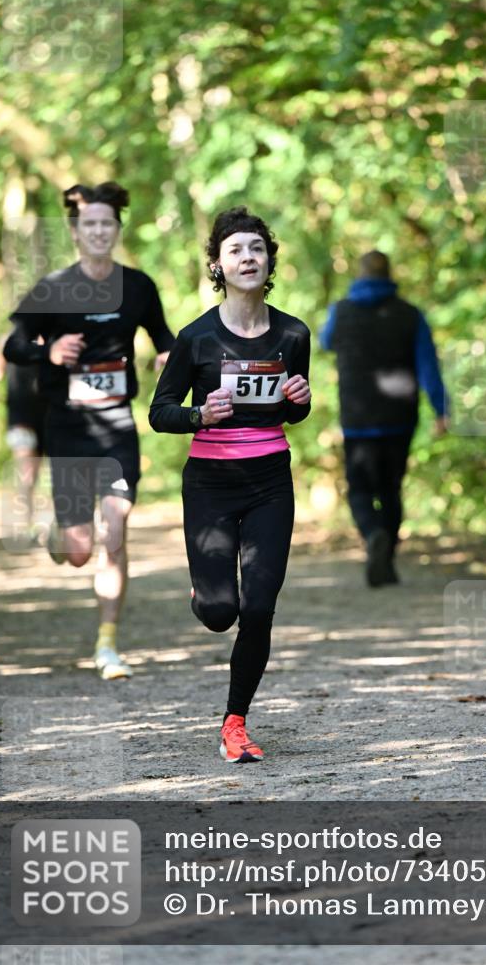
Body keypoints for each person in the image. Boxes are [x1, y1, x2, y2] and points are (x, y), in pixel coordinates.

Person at [149, 206, 311, 763]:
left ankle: (235, 722)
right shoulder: (196, 338)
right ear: (218, 265)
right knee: (221, 612)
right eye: (236, 250)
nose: (248, 257)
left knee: (260, 607)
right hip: (211, 485)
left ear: (270, 262)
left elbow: (292, 414)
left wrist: (300, 403)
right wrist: (199, 415)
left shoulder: (293, 332)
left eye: (258, 248)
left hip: (270, 481)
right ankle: (206, 589)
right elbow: (159, 412)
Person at [3, 181, 175, 680]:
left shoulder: (138, 286)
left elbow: (162, 335)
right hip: (69, 427)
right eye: (90, 224)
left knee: (115, 530)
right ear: (76, 233)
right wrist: (48, 353)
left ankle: (107, 645)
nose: (99, 231)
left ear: (117, 230)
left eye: (108, 223)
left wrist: (170, 357)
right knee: (78, 552)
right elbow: (15, 345)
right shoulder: (53, 288)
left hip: (117, 424)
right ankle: (55, 536)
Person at [320, 250, 448, 587]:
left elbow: (324, 341)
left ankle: (373, 533)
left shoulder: (341, 311)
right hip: (399, 416)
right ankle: (386, 559)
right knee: (391, 489)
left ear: (360, 275)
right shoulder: (410, 315)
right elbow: (428, 365)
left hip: (357, 417)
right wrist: (441, 409)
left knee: (360, 489)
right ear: (390, 274)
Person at [0, 335, 47, 543]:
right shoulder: (7, 341)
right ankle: (26, 525)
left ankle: (59, 524)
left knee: (50, 472)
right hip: (20, 417)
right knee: (27, 473)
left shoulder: (53, 338)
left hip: (50, 417)